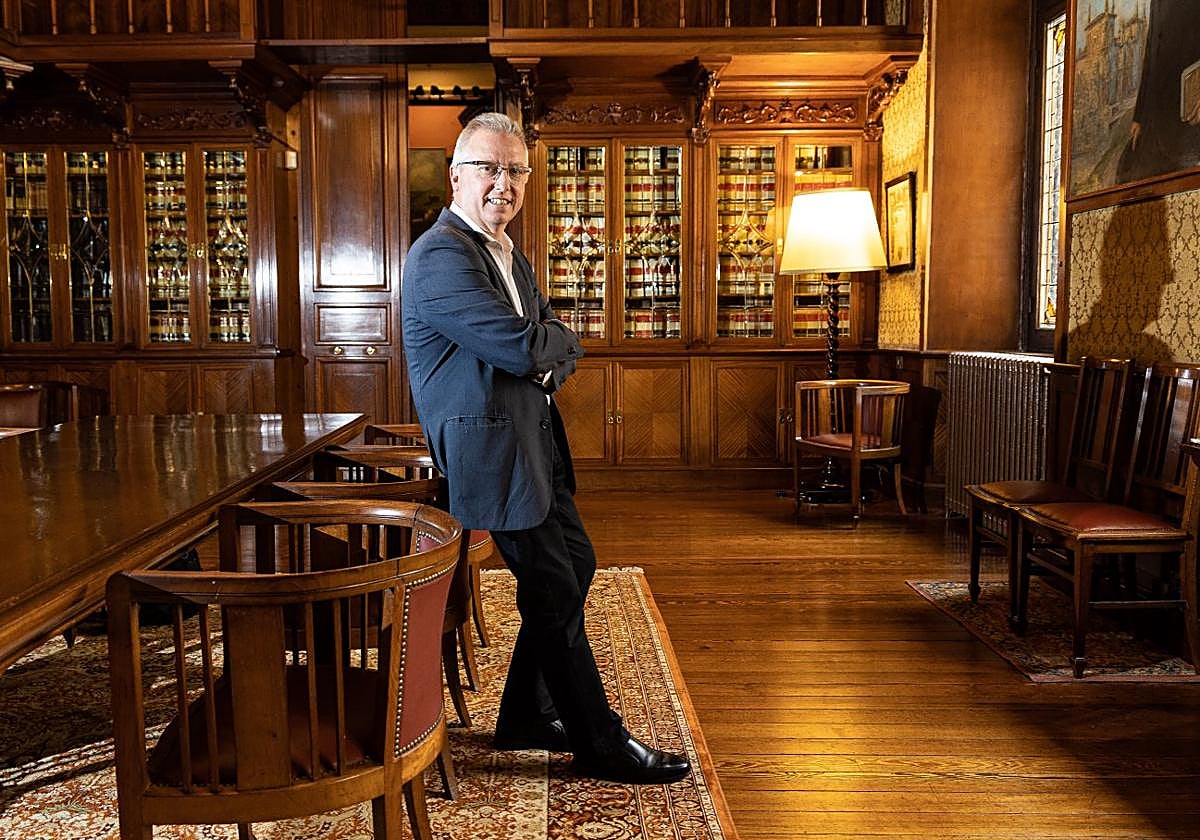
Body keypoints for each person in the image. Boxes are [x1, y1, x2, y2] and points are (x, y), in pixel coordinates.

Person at [401, 112, 691, 785]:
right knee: (554, 587)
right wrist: (547, 349)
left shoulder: (506, 250)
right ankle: (599, 741)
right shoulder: (442, 254)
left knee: (577, 564)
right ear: (455, 176)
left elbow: (548, 336)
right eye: (487, 168)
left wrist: (546, 349)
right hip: (491, 454)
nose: (502, 183)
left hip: (534, 442)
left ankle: (525, 715)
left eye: (515, 170)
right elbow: (526, 346)